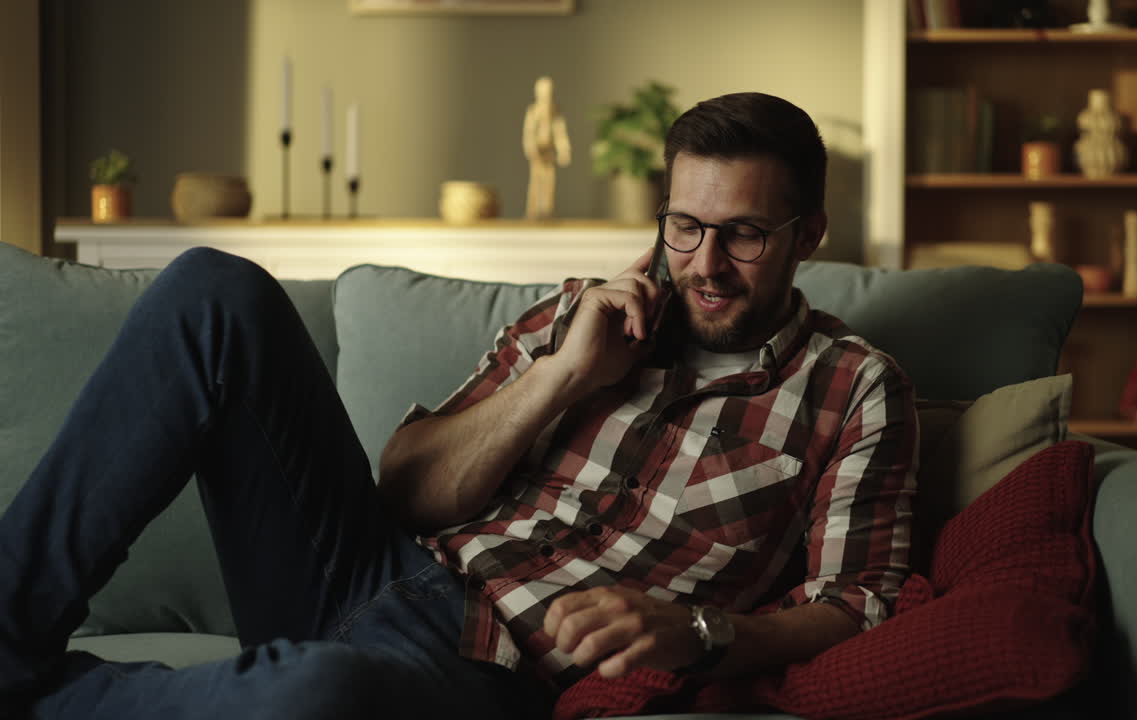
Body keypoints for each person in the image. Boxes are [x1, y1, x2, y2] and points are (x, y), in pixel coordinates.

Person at [0, 92, 916, 720]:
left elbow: (860, 601)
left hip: (486, 673)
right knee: (213, 292)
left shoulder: (855, 388)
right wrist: (561, 376)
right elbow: (401, 489)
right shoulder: (584, 315)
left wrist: (703, 633)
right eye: (685, 226)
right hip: (371, 570)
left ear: (810, 235)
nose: (705, 264)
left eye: (745, 234)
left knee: (316, 699)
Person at [523, 75, 571, 220]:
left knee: (549, 182)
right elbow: (529, 132)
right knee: (536, 181)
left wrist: (564, 151)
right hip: (538, 151)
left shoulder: (555, 112)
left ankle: (548, 210)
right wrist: (530, 147)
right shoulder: (534, 111)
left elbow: (560, 134)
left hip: (549, 152)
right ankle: (533, 210)